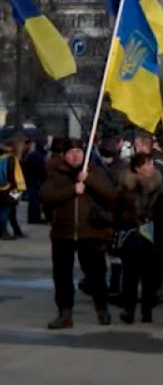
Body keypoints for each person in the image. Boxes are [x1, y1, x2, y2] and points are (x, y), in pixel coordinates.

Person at [43, 139, 117, 328]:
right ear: (64, 155)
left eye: (78, 151)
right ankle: (65, 313)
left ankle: (102, 308)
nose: (75, 155)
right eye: (71, 152)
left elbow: (111, 195)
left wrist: (89, 180)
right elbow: (46, 196)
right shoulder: (56, 174)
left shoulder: (95, 171)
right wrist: (72, 190)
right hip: (63, 232)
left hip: (90, 232)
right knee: (62, 276)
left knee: (96, 274)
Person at [116, 152, 163, 324]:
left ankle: (147, 310)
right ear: (137, 168)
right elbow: (116, 209)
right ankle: (129, 310)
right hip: (131, 235)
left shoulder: (160, 187)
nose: (150, 167)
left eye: (151, 163)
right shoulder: (125, 187)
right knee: (130, 275)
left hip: (153, 235)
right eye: (146, 164)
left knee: (151, 275)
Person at [0, 138, 22, 239]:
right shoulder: (12, 159)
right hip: (9, 190)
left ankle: (10, 231)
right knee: (6, 211)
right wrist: (17, 193)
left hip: (2, 190)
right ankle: (3, 232)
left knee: (5, 211)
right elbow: (18, 178)